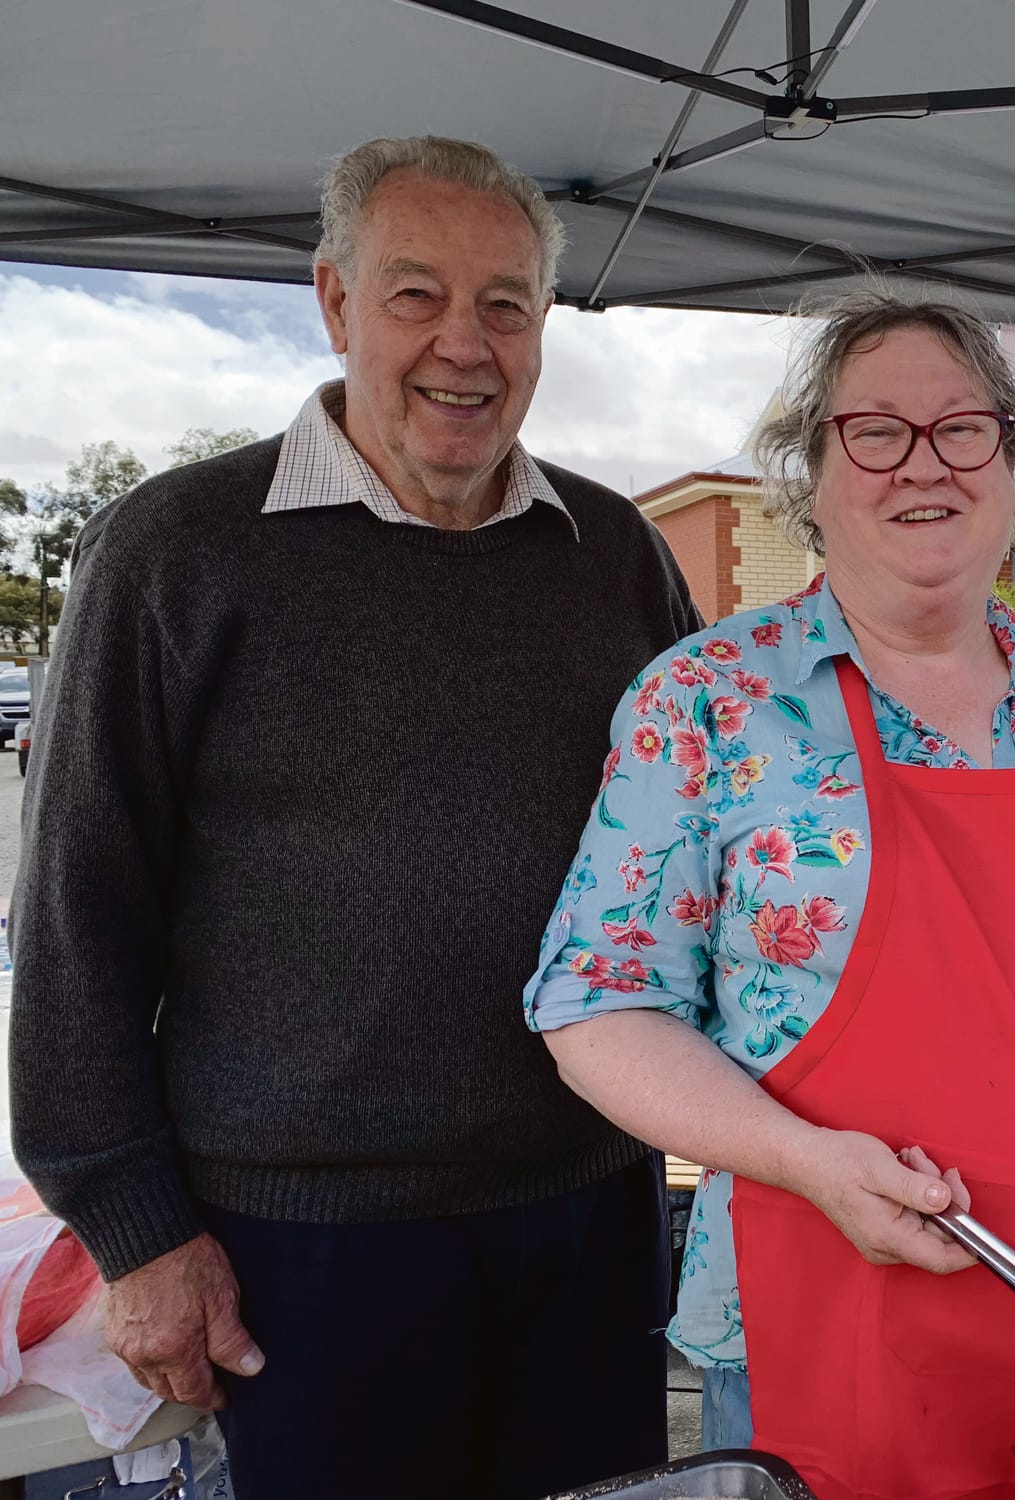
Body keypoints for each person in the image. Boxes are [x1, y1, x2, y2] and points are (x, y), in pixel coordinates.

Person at [9, 136, 703, 1500]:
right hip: (303, 1244)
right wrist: (135, 1228)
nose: (466, 343)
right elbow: (79, 914)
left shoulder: (613, 553)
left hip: (591, 1214)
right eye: (415, 295)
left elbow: (700, 856)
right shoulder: (178, 548)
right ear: (333, 303)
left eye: (506, 302)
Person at [526, 290, 1015, 1500]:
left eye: (965, 429)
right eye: (876, 431)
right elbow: (593, 1005)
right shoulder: (707, 700)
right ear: (811, 468)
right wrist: (800, 1159)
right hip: (835, 1310)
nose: (925, 464)